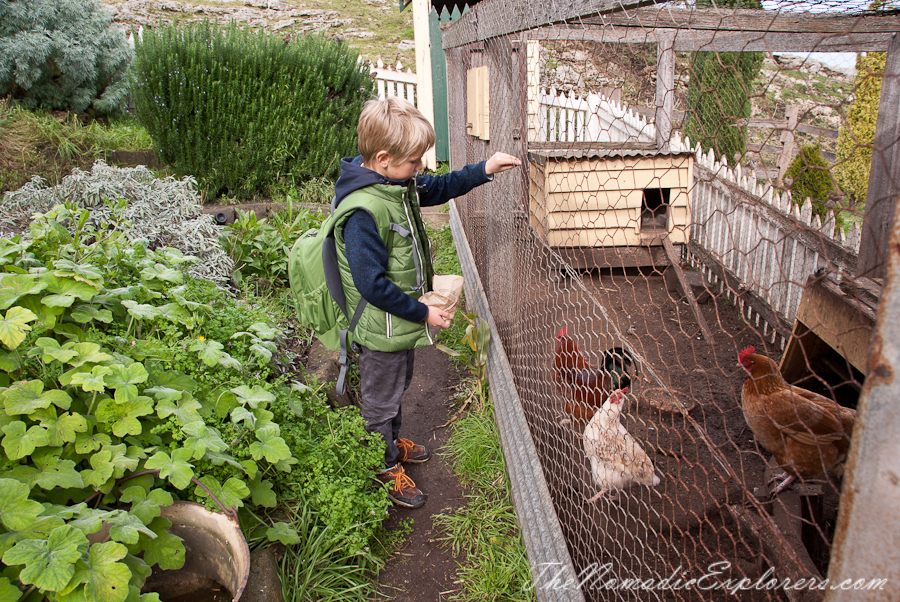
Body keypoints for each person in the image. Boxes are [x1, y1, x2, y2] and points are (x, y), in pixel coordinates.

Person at [332, 97, 520, 508]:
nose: (420, 169)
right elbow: (372, 286)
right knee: (379, 402)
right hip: (382, 327)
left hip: (397, 324)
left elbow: (437, 188)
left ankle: (393, 444)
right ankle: (383, 466)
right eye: (415, 161)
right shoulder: (363, 212)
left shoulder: (394, 185)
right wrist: (424, 312)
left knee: (397, 387)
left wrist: (483, 170)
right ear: (383, 159)